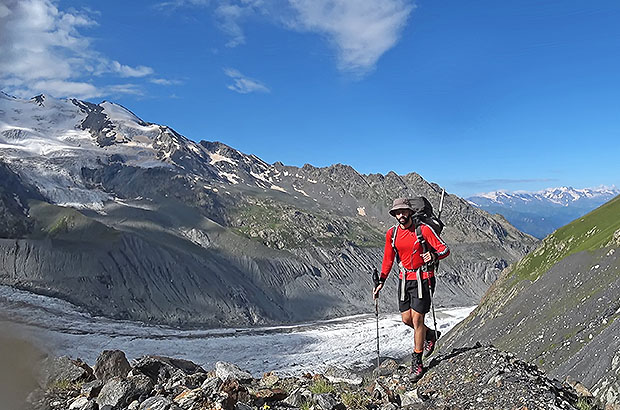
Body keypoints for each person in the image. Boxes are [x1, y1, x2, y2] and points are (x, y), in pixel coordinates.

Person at [373, 197, 450, 381]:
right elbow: (388, 259)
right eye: (397, 212)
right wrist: (381, 281)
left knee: (416, 320)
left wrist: (432, 255)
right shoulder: (392, 234)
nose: (401, 215)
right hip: (404, 279)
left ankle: (417, 362)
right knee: (406, 319)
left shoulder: (423, 230)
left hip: (423, 278)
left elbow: (444, 250)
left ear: (410, 212)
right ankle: (430, 334)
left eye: (403, 211)